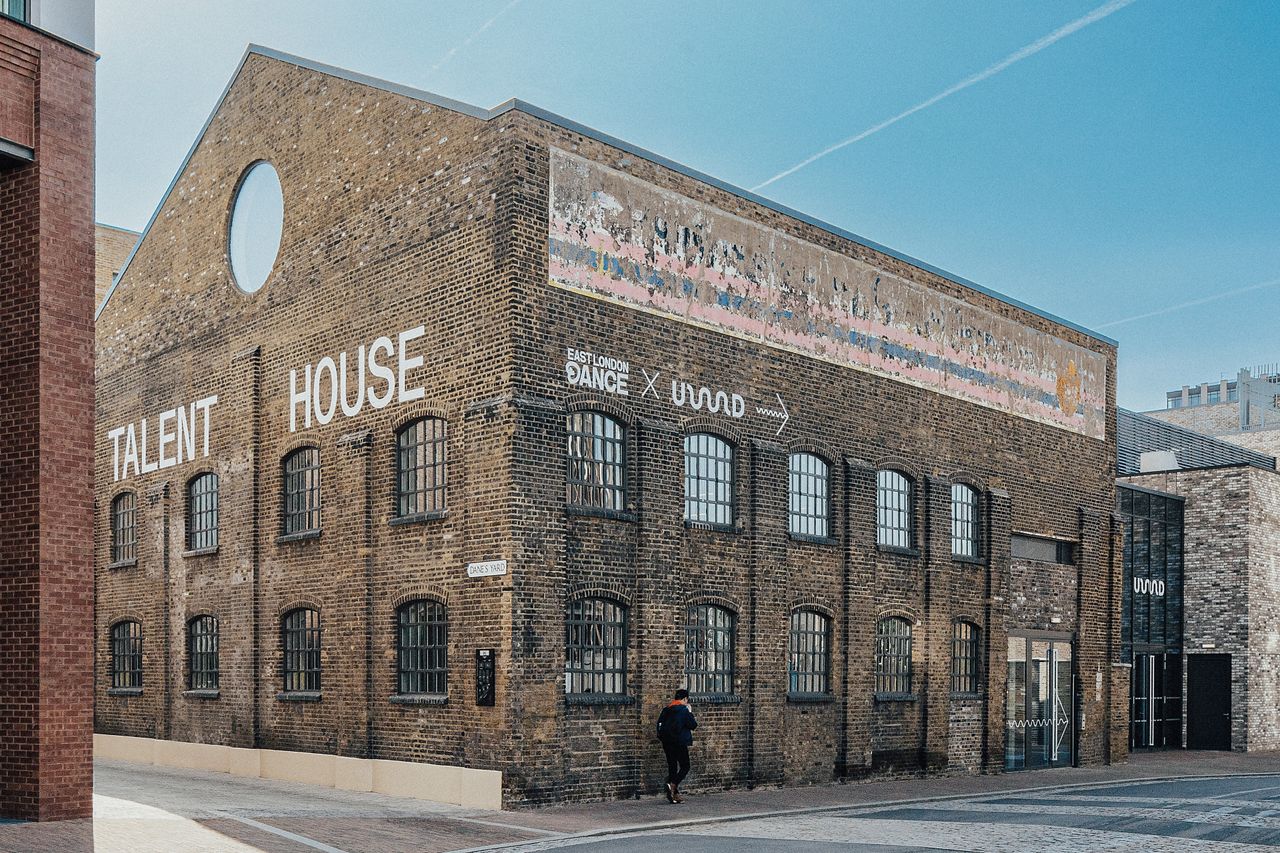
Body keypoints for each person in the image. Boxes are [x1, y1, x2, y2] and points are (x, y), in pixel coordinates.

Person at [655, 688, 697, 803]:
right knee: (685, 766)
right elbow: (693, 725)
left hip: (667, 742)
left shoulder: (666, 710)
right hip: (680, 742)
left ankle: (673, 795)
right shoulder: (684, 710)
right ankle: (673, 784)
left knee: (672, 766)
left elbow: (659, 725)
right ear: (685, 699)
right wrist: (689, 712)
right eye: (686, 700)